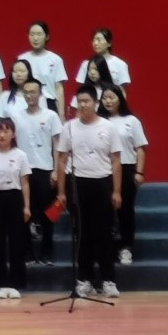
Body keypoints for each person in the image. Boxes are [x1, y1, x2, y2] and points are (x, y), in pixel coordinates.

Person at [57, 86, 125, 298]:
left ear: (95, 103)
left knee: (103, 233)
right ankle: (84, 279)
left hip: (103, 182)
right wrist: (61, 191)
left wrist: (116, 191)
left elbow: (116, 161)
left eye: (86, 101)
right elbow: (62, 160)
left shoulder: (108, 127)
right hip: (78, 183)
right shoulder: (69, 127)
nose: (82, 105)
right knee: (83, 234)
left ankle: (108, 280)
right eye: (80, 101)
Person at [0, 118, 32, 299]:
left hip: (15, 197)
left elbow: (25, 182)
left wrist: (27, 206)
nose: (1, 135)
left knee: (17, 240)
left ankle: (16, 282)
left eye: (6, 131)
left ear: (13, 134)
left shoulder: (21, 155)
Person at [13, 78, 62, 264]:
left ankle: (47, 252)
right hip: (23, 171)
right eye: (26, 92)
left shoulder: (51, 116)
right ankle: (27, 253)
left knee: (48, 214)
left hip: (45, 169)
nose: (29, 96)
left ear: (40, 93)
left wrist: (56, 170)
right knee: (24, 213)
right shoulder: (16, 116)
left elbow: (57, 145)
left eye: (33, 92)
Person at [99, 84, 148, 265]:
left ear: (120, 98)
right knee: (104, 211)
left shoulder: (132, 121)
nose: (108, 101)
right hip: (103, 170)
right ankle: (107, 249)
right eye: (105, 98)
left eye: (112, 97)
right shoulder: (98, 121)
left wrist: (139, 172)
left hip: (127, 169)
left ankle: (126, 247)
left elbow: (140, 148)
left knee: (125, 210)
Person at [20, 21, 67, 112]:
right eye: (32, 34)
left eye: (39, 34)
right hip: (26, 103)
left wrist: (61, 113)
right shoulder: (22, 59)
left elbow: (59, 88)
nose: (35, 38)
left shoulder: (55, 59)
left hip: (49, 103)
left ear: (47, 36)